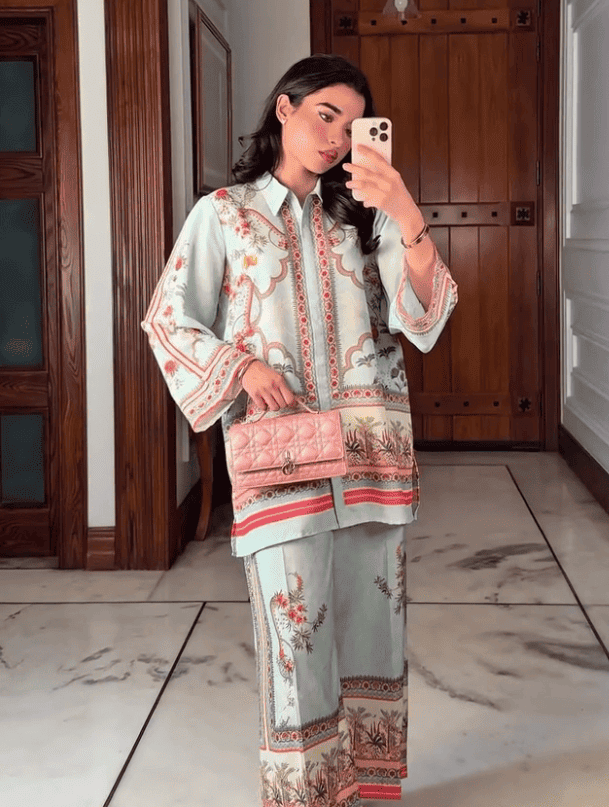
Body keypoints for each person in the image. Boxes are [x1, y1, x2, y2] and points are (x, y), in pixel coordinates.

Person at [142, 54, 457, 807]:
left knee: (374, 632)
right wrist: (241, 368)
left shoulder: (368, 216)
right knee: (297, 645)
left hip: (368, 461)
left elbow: (427, 317)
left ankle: (373, 791)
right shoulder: (222, 214)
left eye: (353, 126)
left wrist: (408, 214)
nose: (337, 137)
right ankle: (311, 796)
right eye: (325, 115)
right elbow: (168, 317)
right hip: (279, 460)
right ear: (284, 109)